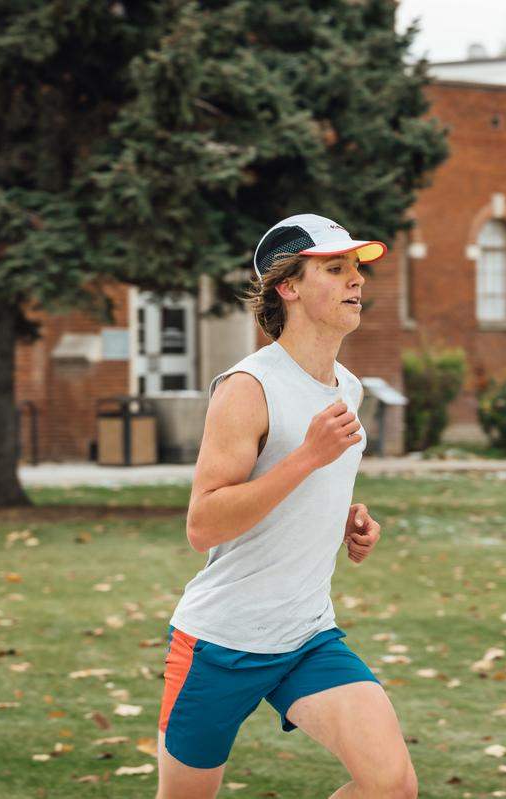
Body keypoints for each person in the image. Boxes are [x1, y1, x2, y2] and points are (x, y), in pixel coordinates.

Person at [154, 214, 418, 798]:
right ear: (289, 287)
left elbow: (309, 487)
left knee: (391, 787)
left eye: (356, 268)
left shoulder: (346, 387)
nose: (356, 281)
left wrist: (347, 519)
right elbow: (203, 524)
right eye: (334, 268)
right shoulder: (248, 387)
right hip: (221, 642)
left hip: (305, 635)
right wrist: (308, 459)